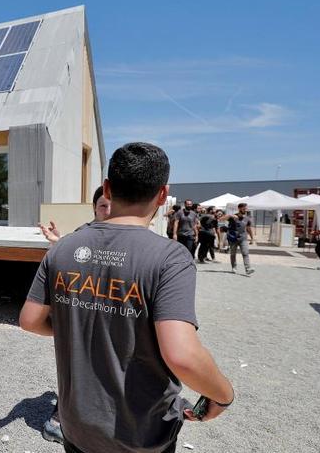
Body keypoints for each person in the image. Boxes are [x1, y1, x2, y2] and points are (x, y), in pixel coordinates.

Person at [20, 142, 234, 453]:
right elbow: (181, 355)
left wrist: (77, 320)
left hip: (77, 426)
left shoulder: (63, 248)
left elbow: (29, 321)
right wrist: (223, 395)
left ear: (106, 188)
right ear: (162, 194)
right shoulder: (169, 258)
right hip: (140, 434)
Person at [37, 185, 111, 445]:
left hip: (108, 315)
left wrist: (60, 241)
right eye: (103, 205)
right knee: (76, 369)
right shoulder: (83, 234)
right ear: (94, 208)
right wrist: (60, 243)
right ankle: (57, 421)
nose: (108, 210)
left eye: (112, 205)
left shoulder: (120, 236)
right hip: (82, 315)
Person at [224, 203, 255, 275]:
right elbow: (221, 219)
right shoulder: (233, 216)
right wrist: (230, 215)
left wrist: (252, 238)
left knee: (245, 253)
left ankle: (248, 269)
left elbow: (248, 228)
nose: (245, 210)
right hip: (233, 238)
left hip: (243, 238)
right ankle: (234, 268)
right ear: (239, 208)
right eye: (244, 208)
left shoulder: (247, 218)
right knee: (233, 254)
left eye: (246, 208)